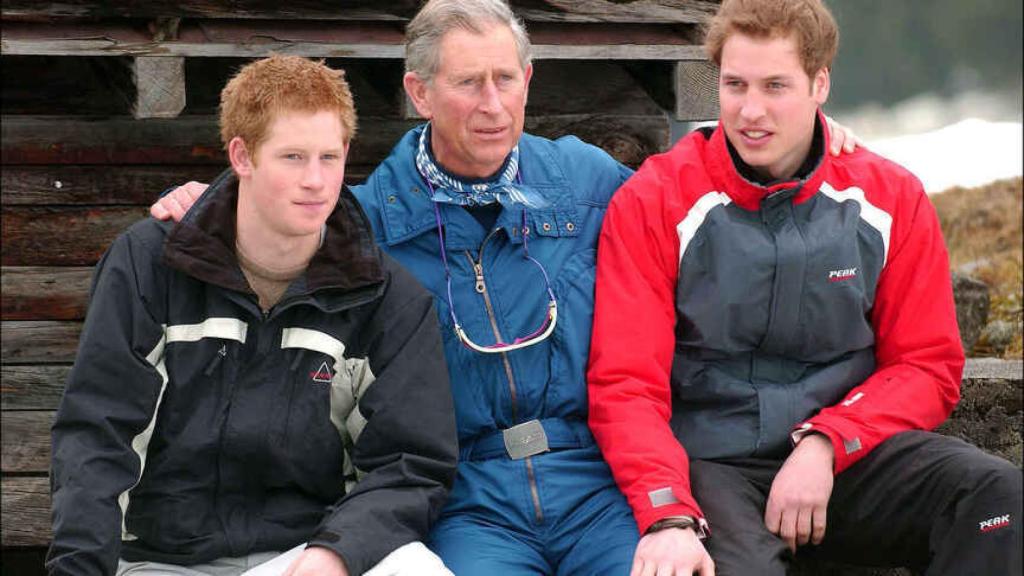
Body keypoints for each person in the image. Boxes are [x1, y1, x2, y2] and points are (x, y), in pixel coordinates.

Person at [150, 2, 860, 574]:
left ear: (529, 79)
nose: (492, 104)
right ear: (419, 92)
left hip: (598, 479)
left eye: (506, 78)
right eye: (467, 83)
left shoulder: (585, 181)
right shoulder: (370, 219)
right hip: (466, 496)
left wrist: (821, 141)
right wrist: (211, 199)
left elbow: (702, 179)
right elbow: (284, 206)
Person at [586, 0, 1024, 574]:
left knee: (997, 501)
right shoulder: (655, 199)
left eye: (775, 86)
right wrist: (667, 510)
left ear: (820, 84)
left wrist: (827, 440)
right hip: (714, 468)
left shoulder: (890, 197)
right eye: (735, 85)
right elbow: (626, 385)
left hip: (850, 456)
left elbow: (927, 364)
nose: (750, 110)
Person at [48, 55, 458, 576]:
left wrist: (334, 554)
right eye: (292, 157)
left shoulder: (386, 296)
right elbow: (96, 435)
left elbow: (411, 464)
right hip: (162, 562)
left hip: (307, 556)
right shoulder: (149, 266)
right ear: (242, 155)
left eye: (329, 157)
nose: (316, 180)